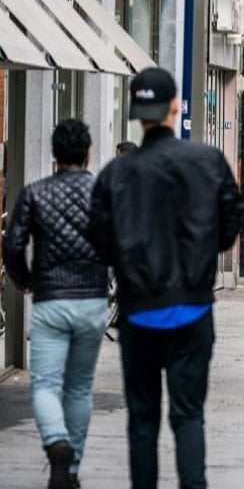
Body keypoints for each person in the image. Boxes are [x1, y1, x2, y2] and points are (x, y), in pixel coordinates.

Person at [88, 67, 243, 489]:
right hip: (192, 306)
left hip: (139, 312)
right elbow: (231, 221)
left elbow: (99, 240)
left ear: (138, 113)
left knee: (142, 420)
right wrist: (203, 255)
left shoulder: (116, 173)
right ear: (176, 106)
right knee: (188, 415)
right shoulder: (207, 161)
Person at [4, 120, 109, 489]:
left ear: (53, 154)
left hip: (50, 301)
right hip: (92, 302)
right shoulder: (103, 194)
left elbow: (13, 246)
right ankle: (71, 466)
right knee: (79, 387)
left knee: (45, 385)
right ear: (88, 153)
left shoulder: (34, 193)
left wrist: (25, 281)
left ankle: (55, 443)